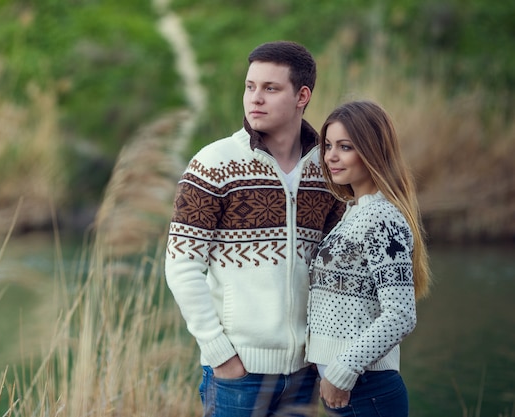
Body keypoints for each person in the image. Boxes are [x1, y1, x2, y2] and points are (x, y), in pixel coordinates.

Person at [164, 40, 344, 417]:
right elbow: (181, 266)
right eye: (250, 87)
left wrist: (327, 355)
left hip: (304, 372)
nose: (255, 98)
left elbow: (334, 271)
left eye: (270, 88)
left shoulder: (327, 172)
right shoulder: (213, 164)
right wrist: (220, 355)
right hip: (237, 375)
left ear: (302, 95)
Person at [305, 100, 432, 416]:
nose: (331, 156)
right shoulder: (354, 213)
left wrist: (342, 370)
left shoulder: (382, 219)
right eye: (328, 146)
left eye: (345, 147)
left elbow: (401, 314)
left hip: (367, 390)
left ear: (373, 151)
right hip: (351, 390)